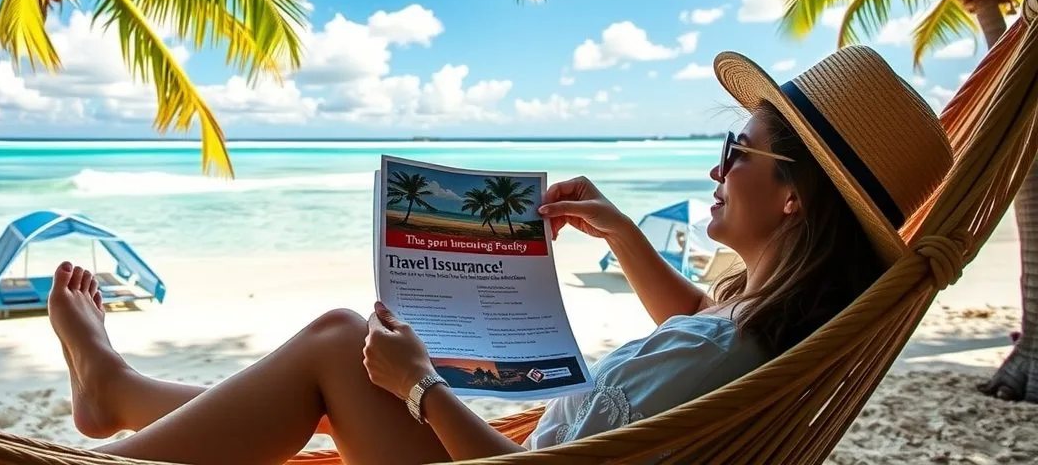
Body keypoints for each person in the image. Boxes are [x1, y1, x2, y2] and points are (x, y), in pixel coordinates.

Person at [46, 45, 953, 464]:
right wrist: (628, 236)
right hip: (508, 451)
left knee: (338, 344)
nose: (715, 167)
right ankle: (118, 394)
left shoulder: (728, 349)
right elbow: (701, 334)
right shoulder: (763, 335)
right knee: (338, 387)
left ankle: (110, 440)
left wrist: (422, 387)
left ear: (794, 195)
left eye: (736, 152)